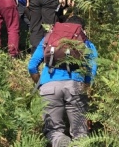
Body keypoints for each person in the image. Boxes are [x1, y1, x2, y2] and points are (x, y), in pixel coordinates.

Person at [28, 15, 98, 147]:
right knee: (81, 134)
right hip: (75, 86)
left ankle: (62, 143)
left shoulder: (49, 38)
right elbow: (92, 66)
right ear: (81, 29)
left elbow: (32, 66)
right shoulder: (84, 41)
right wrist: (86, 85)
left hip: (49, 86)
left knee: (53, 131)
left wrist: (41, 85)